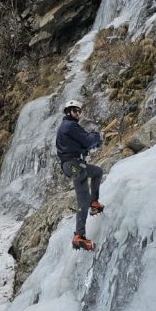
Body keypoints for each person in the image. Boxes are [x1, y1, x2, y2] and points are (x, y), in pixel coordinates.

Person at [56, 99, 109, 251]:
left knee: (97, 172)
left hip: (75, 164)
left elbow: (83, 143)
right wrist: (97, 137)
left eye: (79, 111)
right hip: (72, 166)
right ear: (68, 112)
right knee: (82, 197)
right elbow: (86, 141)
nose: (78, 113)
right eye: (75, 111)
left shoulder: (70, 126)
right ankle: (79, 236)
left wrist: (95, 140)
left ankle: (94, 203)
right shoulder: (70, 125)